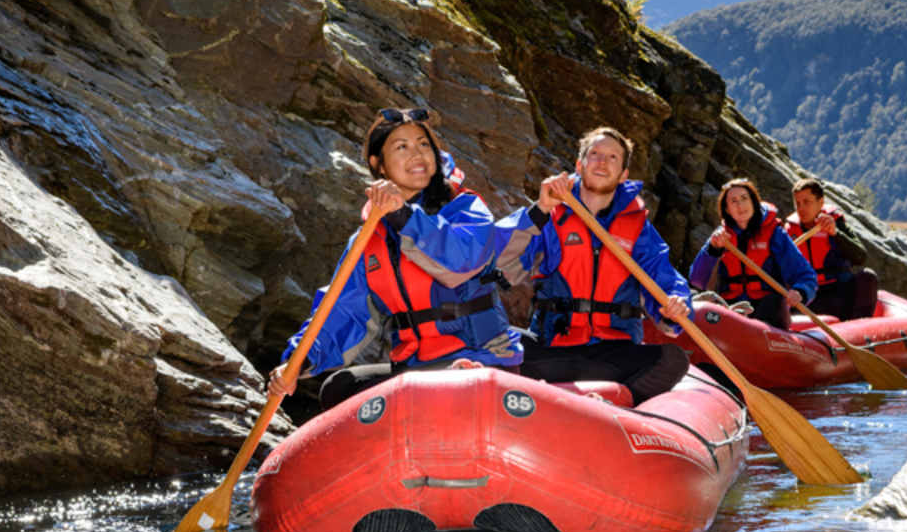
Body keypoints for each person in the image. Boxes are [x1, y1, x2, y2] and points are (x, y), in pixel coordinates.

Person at [278, 107, 520, 410]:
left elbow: (460, 262)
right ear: (378, 166)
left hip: (480, 357)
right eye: (401, 147)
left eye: (423, 144)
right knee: (339, 387)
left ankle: (453, 389)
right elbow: (343, 310)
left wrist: (403, 216)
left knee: (452, 384)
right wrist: (298, 361)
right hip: (416, 366)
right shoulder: (368, 240)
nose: (417, 154)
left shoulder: (466, 208)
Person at [494, 126, 691, 404]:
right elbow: (498, 262)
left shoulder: (638, 229)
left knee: (674, 359)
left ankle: (616, 411)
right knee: (490, 339)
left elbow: (665, 279)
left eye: (612, 157)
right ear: (580, 164)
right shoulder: (551, 213)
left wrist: (674, 305)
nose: (602, 161)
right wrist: (539, 210)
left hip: (613, 354)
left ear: (624, 174)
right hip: (553, 348)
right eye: (595, 154)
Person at [688, 177, 817, 331]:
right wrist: (713, 250)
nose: (740, 205)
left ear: (754, 203)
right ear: (727, 209)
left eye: (744, 198)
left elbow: (806, 277)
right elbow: (697, 280)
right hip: (731, 308)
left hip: (768, 309)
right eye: (733, 201)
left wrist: (800, 291)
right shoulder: (721, 237)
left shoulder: (775, 234)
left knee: (771, 304)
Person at [784, 178, 880, 321]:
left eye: (807, 202)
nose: (801, 208)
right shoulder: (789, 232)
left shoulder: (836, 223)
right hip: (810, 295)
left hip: (838, 290)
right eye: (797, 203)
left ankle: (858, 327)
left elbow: (860, 257)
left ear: (820, 202)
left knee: (867, 277)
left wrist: (835, 233)